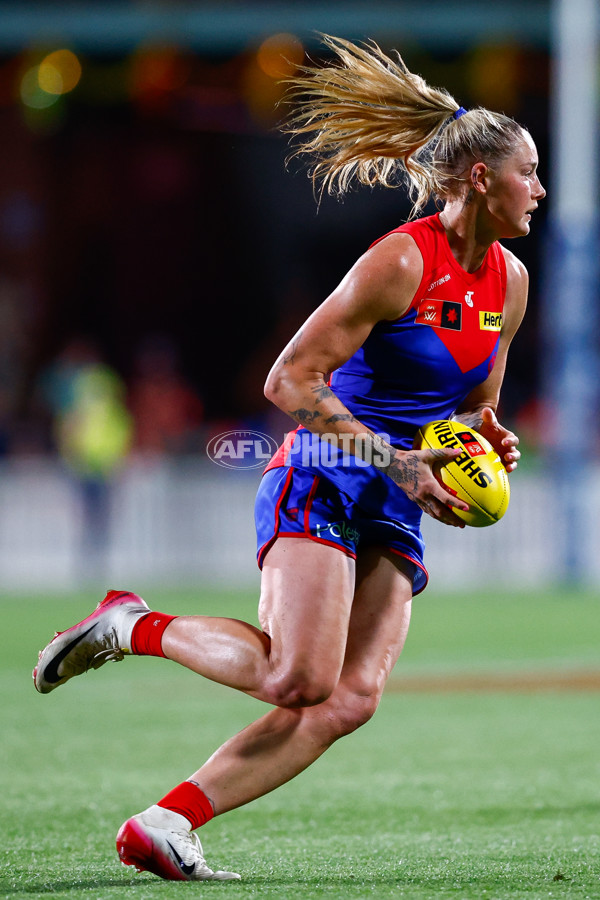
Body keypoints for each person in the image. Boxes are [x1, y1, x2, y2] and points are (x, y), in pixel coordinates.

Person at [33, 35, 545, 882]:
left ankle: (165, 823)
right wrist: (399, 462)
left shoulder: (511, 281)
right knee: (297, 677)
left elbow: (475, 403)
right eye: (528, 170)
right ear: (483, 178)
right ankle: (129, 625)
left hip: (396, 491)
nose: (539, 187)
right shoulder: (399, 260)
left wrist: (486, 436)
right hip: (327, 470)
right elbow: (289, 379)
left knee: (351, 698)